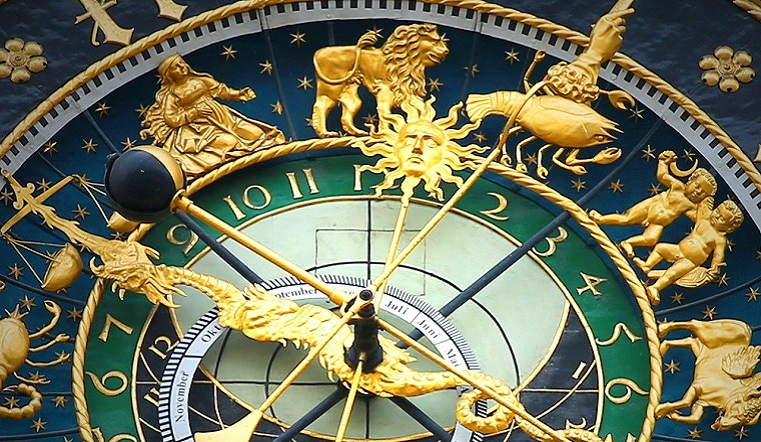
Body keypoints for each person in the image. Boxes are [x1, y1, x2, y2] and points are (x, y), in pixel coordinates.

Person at [139, 54, 285, 178]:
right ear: (168, 74)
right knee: (230, 142)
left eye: (182, 63)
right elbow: (171, 119)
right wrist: (194, 112)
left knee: (256, 134)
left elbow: (221, 90)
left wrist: (239, 94)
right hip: (199, 130)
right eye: (176, 67)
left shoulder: (201, 80)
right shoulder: (171, 95)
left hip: (225, 119)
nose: (182, 67)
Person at [589, 150, 717, 257]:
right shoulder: (677, 186)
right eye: (697, 186)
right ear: (691, 181)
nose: (697, 191)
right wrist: (663, 162)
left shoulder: (692, 206)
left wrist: (706, 208)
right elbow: (662, 175)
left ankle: (628, 243)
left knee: (651, 239)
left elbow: (698, 220)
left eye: (703, 193)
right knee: (626, 219)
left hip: (659, 222)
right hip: (650, 208)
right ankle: (600, 218)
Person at [633, 198, 744, 305]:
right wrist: (708, 199)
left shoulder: (719, 239)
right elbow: (702, 207)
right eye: (717, 211)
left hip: (690, 261)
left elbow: (718, 255)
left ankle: (655, 287)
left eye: (722, 219)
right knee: (660, 248)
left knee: (672, 273)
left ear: (729, 228)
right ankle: (647, 265)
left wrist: (714, 268)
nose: (717, 216)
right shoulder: (704, 219)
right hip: (679, 249)